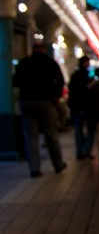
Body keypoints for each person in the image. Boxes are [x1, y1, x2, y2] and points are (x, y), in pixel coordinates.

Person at [12, 42, 67, 177]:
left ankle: (34, 169)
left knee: (30, 135)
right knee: (51, 133)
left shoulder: (23, 63)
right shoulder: (50, 63)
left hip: (27, 102)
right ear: (43, 50)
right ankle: (58, 164)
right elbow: (60, 81)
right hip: (45, 101)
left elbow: (15, 82)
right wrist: (55, 96)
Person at [68, 56, 95, 159]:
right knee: (91, 129)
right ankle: (86, 149)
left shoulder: (74, 75)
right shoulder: (87, 77)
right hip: (86, 107)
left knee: (78, 130)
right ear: (85, 63)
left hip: (76, 107)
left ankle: (80, 151)